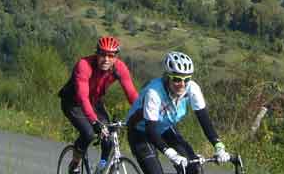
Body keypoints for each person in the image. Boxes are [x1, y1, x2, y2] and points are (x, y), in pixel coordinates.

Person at [125, 51, 232, 174]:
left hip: (165, 128)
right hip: (140, 131)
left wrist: (218, 146)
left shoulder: (192, 88)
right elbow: (151, 129)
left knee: (193, 167)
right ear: (167, 77)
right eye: (177, 79)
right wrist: (170, 153)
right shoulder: (154, 92)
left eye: (186, 79)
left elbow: (204, 120)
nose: (182, 84)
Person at [58, 36, 139, 173]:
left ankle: (101, 167)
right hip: (73, 102)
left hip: (94, 102)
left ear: (116, 57)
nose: (106, 59)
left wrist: (142, 114)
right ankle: (75, 164)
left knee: (108, 139)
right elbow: (82, 97)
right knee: (88, 133)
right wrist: (95, 122)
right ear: (97, 53)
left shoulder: (119, 68)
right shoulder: (84, 65)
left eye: (110, 55)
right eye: (102, 54)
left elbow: (131, 94)